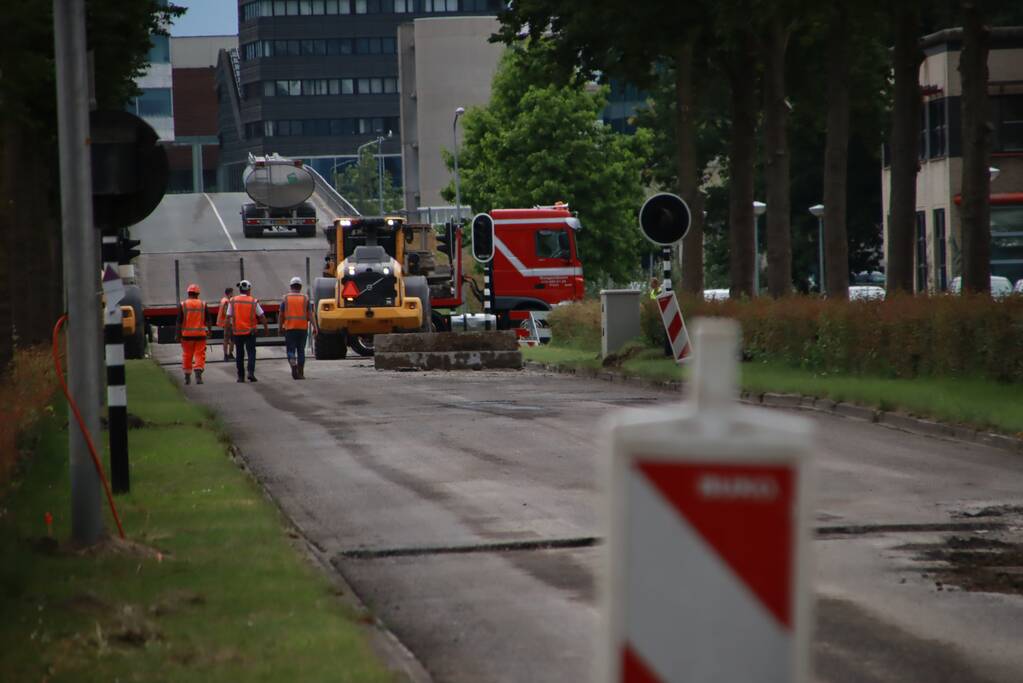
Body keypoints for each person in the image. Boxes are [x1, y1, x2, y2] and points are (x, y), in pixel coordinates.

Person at [227, 280, 268, 383]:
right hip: (250, 332)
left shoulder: (233, 300)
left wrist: (228, 331)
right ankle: (250, 373)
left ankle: (241, 376)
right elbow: (262, 316)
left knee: (239, 355)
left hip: (237, 332)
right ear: (249, 289)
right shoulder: (253, 301)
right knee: (251, 353)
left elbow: (228, 317)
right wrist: (266, 328)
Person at [279, 277, 313, 380]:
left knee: (291, 350)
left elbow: (281, 315)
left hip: (290, 328)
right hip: (302, 329)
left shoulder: (285, 298)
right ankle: (301, 372)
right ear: (300, 287)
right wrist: (315, 327)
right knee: (301, 351)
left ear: (291, 286)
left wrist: (280, 327)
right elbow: (310, 315)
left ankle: (293, 362)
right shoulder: (305, 298)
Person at [176, 283, 209, 385]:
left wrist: (178, 334)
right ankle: (198, 376)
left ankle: (187, 376)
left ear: (188, 293)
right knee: (199, 354)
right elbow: (208, 319)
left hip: (186, 336)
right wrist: (210, 331)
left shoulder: (183, 304)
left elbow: (178, 321)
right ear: (198, 294)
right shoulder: (203, 304)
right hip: (200, 335)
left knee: (187, 355)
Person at [217, 286, 235, 361]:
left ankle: (226, 355)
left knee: (226, 339)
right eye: (232, 292)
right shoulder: (227, 301)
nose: (233, 294)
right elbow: (226, 312)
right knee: (231, 339)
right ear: (230, 293)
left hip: (225, 323)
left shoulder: (223, 300)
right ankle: (229, 354)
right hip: (228, 323)